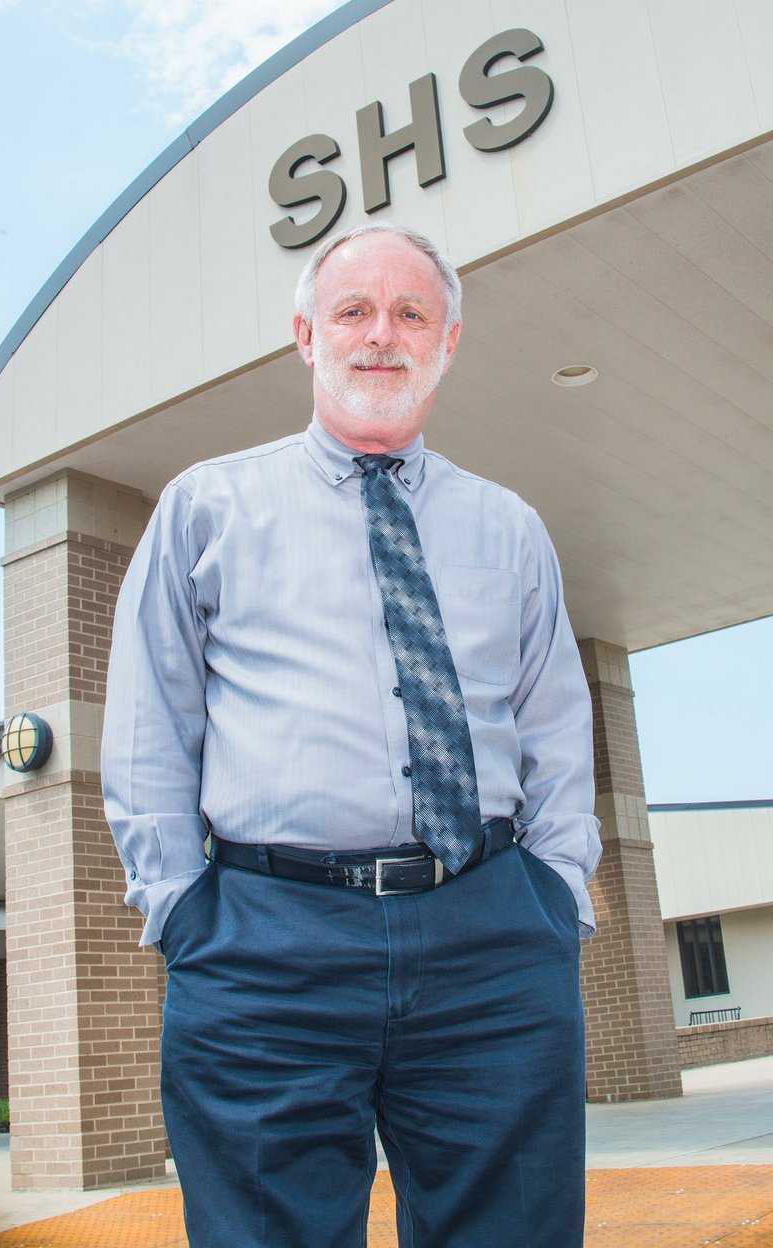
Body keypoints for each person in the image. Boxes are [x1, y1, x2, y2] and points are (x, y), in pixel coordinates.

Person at [101, 221, 601, 1248]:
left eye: (410, 313)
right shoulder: (207, 508)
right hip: (263, 942)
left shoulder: (506, 527)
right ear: (305, 335)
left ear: (447, 341)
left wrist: (552, 890)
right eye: (354, 311)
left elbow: (553, 722)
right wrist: (179, 907)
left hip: (492, 941)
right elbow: (151, 719)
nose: (382, 335)